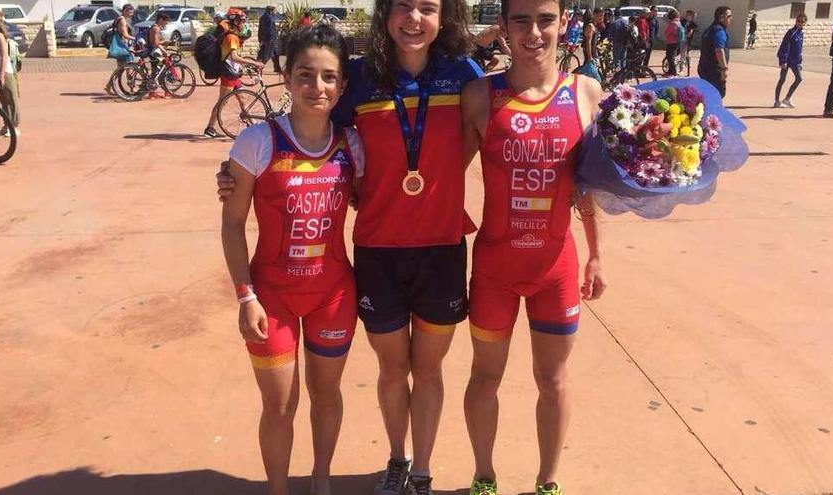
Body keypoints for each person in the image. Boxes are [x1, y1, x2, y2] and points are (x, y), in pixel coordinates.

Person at [219, 0, 482, 493]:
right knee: (391, 370)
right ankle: (397, 460)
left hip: (442, 246)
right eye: (402, 6)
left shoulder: (464, 74)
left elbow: (490, 129)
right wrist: (238, 172)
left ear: (445, 16)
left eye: (428, 7)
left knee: (427, 371)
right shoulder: (358, 77)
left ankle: (421, 471)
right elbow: (306, 121)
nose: (414, 18)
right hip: (378, 251)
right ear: (385, 14)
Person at [460, 0, 605, 492]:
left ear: (563, 23)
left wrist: (596, 254)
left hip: (556, 268)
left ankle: (547, 482)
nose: (533, 32)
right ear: (503, 26)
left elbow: (587, 184)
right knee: (485, 377)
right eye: (520, 20)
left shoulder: (585, 93)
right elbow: (437, 170)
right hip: (495, 269)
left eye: (545, 19)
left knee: (553, 379)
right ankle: (484, 476)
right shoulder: (479, 95)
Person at [221, 25, 364, 495]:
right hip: (272, 298)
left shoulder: (352, 146)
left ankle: (320, 480)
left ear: (342, 86)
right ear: (286, 76)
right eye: (305, 75)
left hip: (333, 295)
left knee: (326, 398)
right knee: (280, 406)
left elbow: (376, 201)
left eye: (328, 78)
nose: (316, 87)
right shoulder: (255, 142)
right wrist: (246, 296)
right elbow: (232, 223)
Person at [204, 8, 264, 137]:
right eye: (242, 21)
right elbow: (234, 57)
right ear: (235, 22)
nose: (244, 24)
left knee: (242, 99)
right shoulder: (231, 37)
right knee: (222, 101)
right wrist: (254, 63)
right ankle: (210, 128)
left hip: (233, 72)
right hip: (228, 73)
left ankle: (252, 124)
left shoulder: (234, 36)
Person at [698, 6, 732, 99]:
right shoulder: (719, 31)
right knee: (717, 94)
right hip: (714, 70)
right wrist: (724, 69)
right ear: (721, 17)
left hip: (704, 67)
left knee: (706, 95)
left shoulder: (710, 29)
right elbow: (719, 50)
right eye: (729, 16)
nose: (730, 19)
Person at [774, 13, 806, 108]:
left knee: (799, 78)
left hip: (795, 62)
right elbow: (784, 46)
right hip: (787, 61)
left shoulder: (801, 34)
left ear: (805, 23)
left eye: (802, 21)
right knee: (782, 79)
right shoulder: (791, 32)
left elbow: (799, 49)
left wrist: (800, 62)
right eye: (798, 21)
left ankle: (787, 99)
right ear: (795, 21)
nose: (799, 23)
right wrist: (783, 61)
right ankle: (776, 100)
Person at [104, 4, 136, 95]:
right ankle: (132, 90)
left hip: (120, 47)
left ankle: (109, 86)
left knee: (119, 69)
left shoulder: (119, 19)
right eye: (130, 12)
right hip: (123, 48)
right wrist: (135, 38)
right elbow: (125, 35)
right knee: (130, 68)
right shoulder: (122, 20)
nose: (132, 14)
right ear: (125, 10)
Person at [576, 8, 603, 82]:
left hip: (593, 52)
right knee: (589, 73)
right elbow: (588, 42)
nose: (601, 18)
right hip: (590, 53)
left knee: (590, 73)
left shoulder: (595, 26)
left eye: (602, 16)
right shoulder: (590, 26)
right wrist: (590, 56)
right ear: (594, 15)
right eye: (600, 16)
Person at [258, 5, 282, 73]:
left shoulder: (263, 17)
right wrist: (274, 36)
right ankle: (259, 67)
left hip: (267, 38)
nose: (275, 12)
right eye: (274, 10)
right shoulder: (269, 18)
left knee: (275, 54)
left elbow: (261, 29)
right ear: (271, 10)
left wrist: (261, 39)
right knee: (267, 55)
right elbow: (269, 30)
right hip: (270, 39)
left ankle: (277, 68)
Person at [663, 10, 684, 77]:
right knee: (671, 56)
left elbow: (667, 32)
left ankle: (673, 72)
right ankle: (670, 71)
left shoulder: (673, 23)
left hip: (672, 42)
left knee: (670, 57)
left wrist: (666, 35)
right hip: (677, 42)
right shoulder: (678, 22)